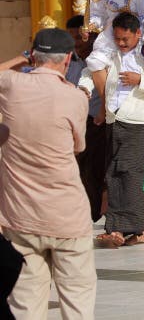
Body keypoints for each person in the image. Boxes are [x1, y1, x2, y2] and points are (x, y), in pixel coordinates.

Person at [1, 28, 97, 318]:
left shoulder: (12, 86)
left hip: (21, 216)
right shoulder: (75, 97)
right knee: (77, 302)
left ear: (33, 55)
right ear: (67, 59)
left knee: (26, 305)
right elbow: (78, 146)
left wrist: (21, 60)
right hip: (67, 217)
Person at [78, 12, 144, 247]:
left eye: (126, 39)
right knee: (114, 172)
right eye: (117, 38)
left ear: (138, 34)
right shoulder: (110, 53)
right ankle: (127, 229)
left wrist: (140, 80)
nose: (121, 43)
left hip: (137, 120)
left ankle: (126, 229)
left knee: (128, 173)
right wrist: (84, 88)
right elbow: (89, 71)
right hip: (114, 118)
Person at [66, 15, 108, 222]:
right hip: (75, 123)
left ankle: (101, 211)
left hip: (98, 122)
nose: (76, 43)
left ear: (91, 37)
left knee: (97, 168)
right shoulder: (67, 62)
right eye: (71, 38)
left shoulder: (102, 62)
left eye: (79, 37)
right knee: (79, 170)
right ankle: (88, 213)